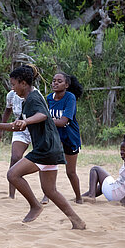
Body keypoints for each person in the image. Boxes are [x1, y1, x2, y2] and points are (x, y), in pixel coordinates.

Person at [0, 65, 86, 229]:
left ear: (23, 83)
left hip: (45, 149)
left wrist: (27, 121)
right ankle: (77, 221)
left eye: (14, 84)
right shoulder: (29, 99)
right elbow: (19, 127)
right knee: (50, 190)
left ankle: (35, 206)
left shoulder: (33, 98)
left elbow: (42, 115)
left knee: (13, 174)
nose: (12, 89)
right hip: (51, 147)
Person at [41, 73, 83, 204]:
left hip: (70, 137)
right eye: (53, 81)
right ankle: (47, 195)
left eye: (59, 81)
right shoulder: (49, 98)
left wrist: (47, 120)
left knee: (70, 172)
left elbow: (63, 121)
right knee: (48, 166)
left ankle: (79, 197)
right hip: (55, 138)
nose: (55, 83)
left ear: (66, 85)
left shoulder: (70, 98)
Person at [0, 89, 33, 199]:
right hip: (20, 128)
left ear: (23, 83)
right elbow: (8, 110)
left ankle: (47, 194)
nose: (13, 87)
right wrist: (0, 130)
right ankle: (11, 195)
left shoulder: (34, 95)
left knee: (43, 160)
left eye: (14, 84)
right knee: (15, 157)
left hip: (35, 128)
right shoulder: (11, 95)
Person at [82, 132, 125, 204]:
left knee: (95, 169)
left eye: (124, 150)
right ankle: (81, 197)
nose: (121, 152)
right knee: (106, 182)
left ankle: (90, 196)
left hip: (117, 196)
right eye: (121, 150)